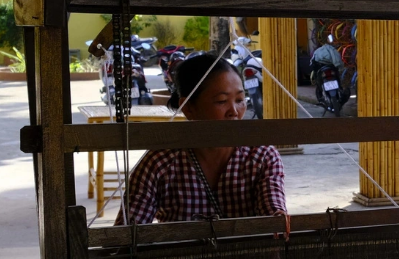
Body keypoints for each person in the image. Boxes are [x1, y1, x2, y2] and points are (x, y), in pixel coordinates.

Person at [117, 53, 286, 225]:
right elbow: (127, 234)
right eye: (221, 101)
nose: (234, 111)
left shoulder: (261, 156)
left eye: (240, 100)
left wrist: (278, 220)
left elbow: (273, 212)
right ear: (188, 108)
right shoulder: (160, 163)